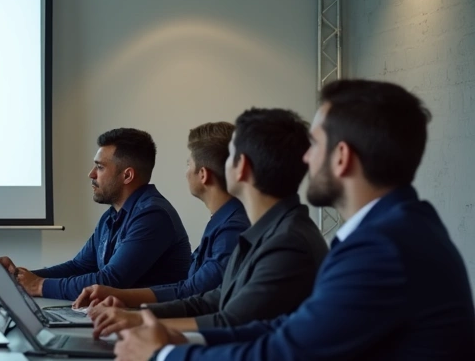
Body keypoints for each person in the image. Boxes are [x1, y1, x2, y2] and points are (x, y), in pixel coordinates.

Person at [113, 80, 475, 361]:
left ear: (342, 157)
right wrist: (180, 343)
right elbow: (287, 329)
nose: (304, 157)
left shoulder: (383, 248)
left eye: (315, 143)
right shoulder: (391, 231)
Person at [89, 109, 327, 337]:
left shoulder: (283, 240)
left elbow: (231, 321)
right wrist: (138, 314)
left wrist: (157, 352)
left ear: (241, 167)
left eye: (229, 156)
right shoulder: (269, 230)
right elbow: (215, 298)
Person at [0, 128, 192, 300]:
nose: (91, 174)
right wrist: (20, 278)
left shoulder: (153, 216)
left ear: (127, 175)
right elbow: (80, 266)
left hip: (149, 327)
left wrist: (39, 285)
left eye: (99, 167)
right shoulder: (112, 215)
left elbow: (111, 280)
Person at [72, 122, 248, 309]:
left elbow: (197, 295)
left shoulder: (232, 229)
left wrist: (124, 302)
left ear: (203, 175)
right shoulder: (221, 222)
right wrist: (121, 299)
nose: (186, 172)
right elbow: (189, 289)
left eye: (188, 164)